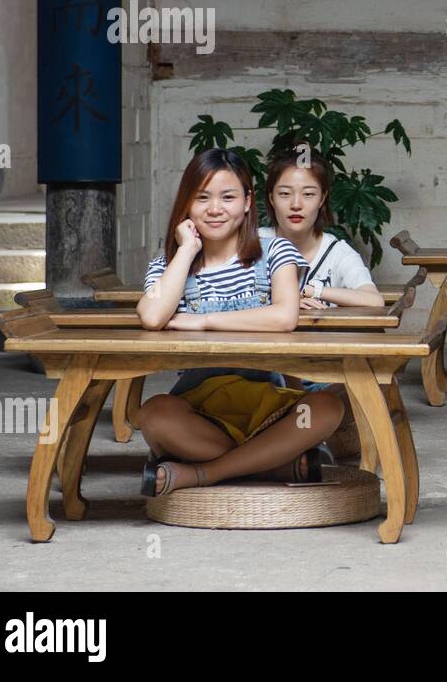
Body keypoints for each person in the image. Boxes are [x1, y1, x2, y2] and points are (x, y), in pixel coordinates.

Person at [134, 149, 345, 496]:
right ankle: (274, 464)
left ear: (248, 202)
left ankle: (204, 474)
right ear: (186, 204)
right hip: (200, 410)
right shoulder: (169, 265)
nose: (215, 209)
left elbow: (284, 316)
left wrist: (203, 322)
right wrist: (186, 250)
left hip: (268, 406)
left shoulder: (275, 252)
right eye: (202, 198)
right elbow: (152, 316)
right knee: (154, 415)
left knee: (326, 407)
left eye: (228, 197)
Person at [262, 148, 383, 309]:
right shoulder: (252, 244)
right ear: (272, 198)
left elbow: (374, 300)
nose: (296, 205)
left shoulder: (337, 252)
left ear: (322, 199)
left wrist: (310, 291)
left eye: (308, 194)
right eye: (285, 194)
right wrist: (286, 302)